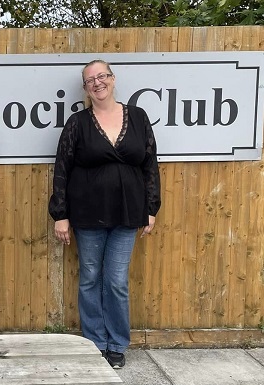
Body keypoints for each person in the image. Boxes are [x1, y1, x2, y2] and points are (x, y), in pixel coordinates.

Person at [48, 60, 161, 368]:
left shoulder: (138, 117)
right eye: (90, 80)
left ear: (113, 79)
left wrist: (151, 208)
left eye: (102, 76)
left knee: (116, 281)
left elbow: (150, 164)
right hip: (87, 213)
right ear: (85, 88)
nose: (97, 83)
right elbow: (62, 168)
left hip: (128, 211)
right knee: (90, 278)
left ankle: (116, 343)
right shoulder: (77, 123)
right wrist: (60, 213)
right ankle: (95, 342)